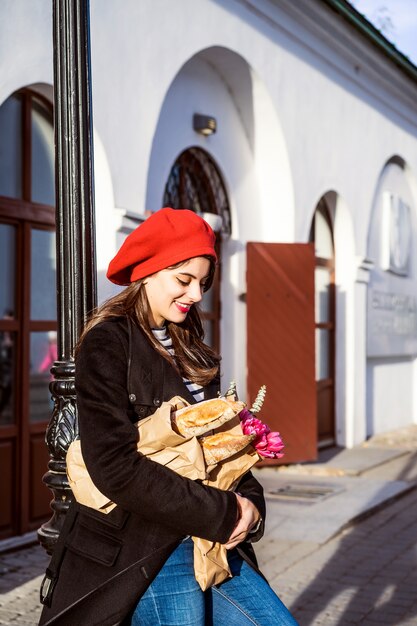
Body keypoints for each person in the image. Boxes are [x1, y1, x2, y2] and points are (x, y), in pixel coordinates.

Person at [39, 207, 298, 626]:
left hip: (209, 541)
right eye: (184, 280)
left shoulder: (190, 344)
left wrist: (250, 505)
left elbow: (221, 443)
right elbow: (115, 468)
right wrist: (223, 511)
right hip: (144, 545)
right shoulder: (108, 342)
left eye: (202, 282)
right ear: (149, 270)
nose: (196, 294)